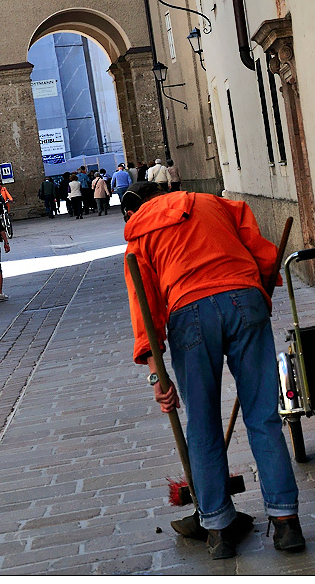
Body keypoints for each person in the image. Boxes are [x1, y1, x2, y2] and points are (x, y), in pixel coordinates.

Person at [122, 181, 305, 560]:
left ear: (137, 207)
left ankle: (218, 530)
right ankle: (287, 523)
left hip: (188, 314)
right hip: (244, 297)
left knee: (202, 425)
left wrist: (158, 374)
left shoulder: (139, 235)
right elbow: (263, 254)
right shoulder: (216, 204)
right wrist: (260, 294)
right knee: (264, 418)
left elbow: (145, 308)